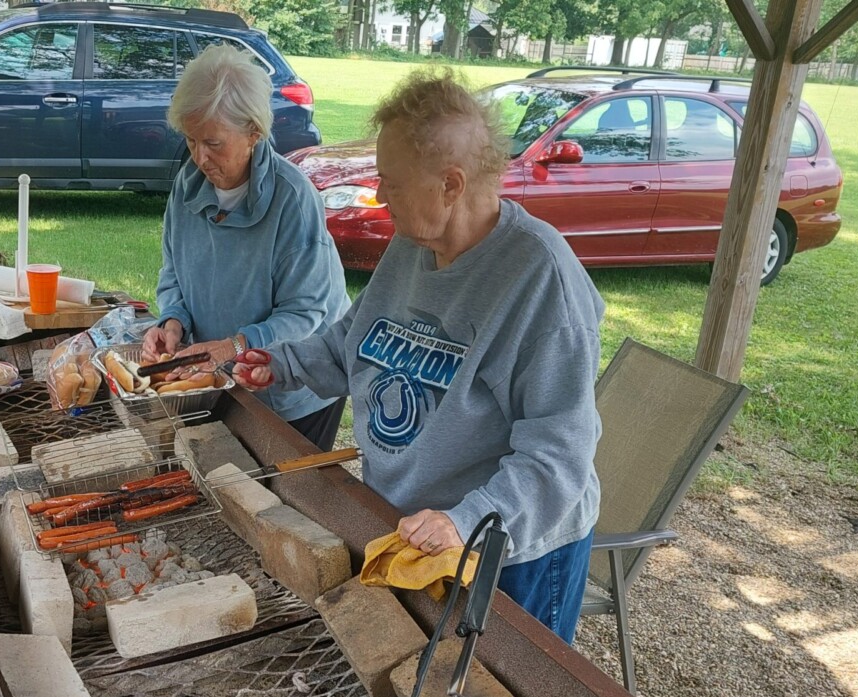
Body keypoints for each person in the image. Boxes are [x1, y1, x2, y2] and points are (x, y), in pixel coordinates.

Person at [232, 70, 605, 644]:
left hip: (507, 550)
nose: (380, 196)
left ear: (451, 184)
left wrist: (466, 522)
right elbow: (352, 342)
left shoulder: (540, 279)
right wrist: (281, 363)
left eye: (391, 182)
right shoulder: (412, 246)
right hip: (413, 524)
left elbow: (558, 456)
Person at [143, 45, 350, 451]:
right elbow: (174, 273)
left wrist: (237, 345)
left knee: (287, 496)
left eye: (214, 143)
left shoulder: (293, 198)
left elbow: (306, 312)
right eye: (191, 140)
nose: (200, 157)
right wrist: (172, 321)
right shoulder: (186, 188)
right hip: (224, 375)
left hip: (294, 386)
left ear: (254, 133)